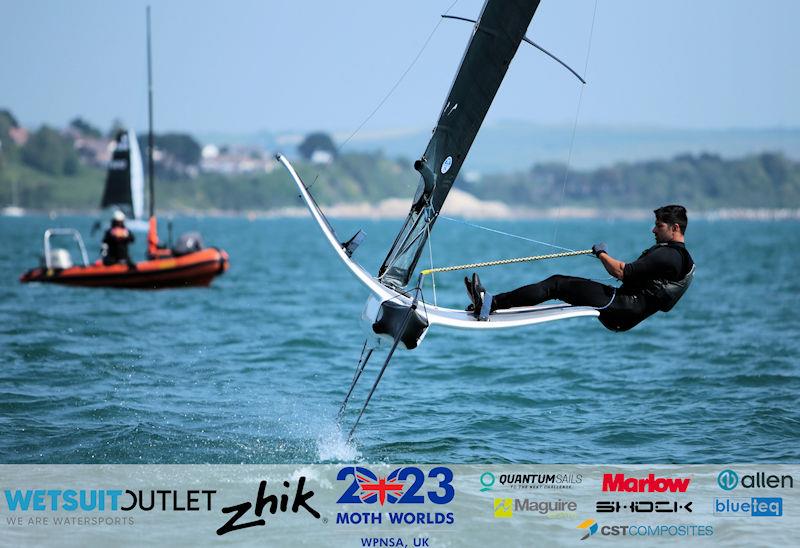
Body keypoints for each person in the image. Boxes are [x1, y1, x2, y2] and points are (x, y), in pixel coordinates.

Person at [465, 205, 695, 331]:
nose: (654, 230)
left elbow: (621, 271)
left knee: (556, 284)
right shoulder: (679, 257)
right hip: (625, 310)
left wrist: (600, 253)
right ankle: (491, 303)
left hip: (621, 307)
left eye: (659, 226)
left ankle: (491, 303)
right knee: (561, 285)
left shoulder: (669, 255)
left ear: (675, 228)